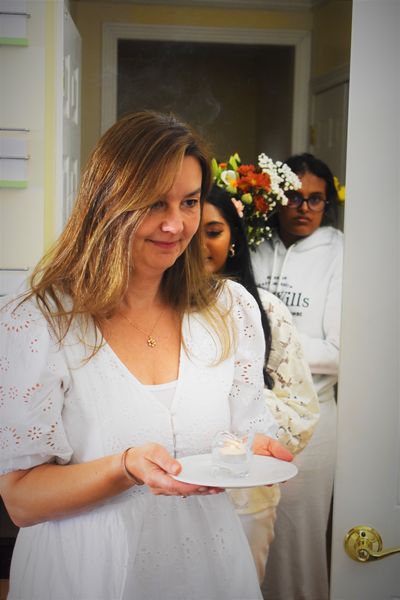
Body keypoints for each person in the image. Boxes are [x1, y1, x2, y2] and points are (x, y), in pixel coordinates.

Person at [0, 111, 290, 600]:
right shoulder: (41, 321)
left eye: (190, 202)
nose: (176, 225)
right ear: (107, 201)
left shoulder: (228, 310)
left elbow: (243, 429)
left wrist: (251, 448)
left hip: (208, 568)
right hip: (87, 575)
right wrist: (124, 467)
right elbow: (22, 501)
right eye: (155, 202)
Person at [202, 184, 319, 583]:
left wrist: (237, 408)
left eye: (213, 232)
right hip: (176, 492)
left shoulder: (264, 309)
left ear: (233, 237)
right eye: (191, 232)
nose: (200, 245)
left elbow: (302, 412)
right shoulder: (157, 309)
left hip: (247, 496)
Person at [251, 153, 343, 600]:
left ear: (328, 203)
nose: (303, 207)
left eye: (315, 199)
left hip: (313, 420)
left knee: (300, 542)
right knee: (252, 538)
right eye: (293, 196)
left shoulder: (340, 253)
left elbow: (341, 354)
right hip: (250, 418)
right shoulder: (254, 244)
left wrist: (267, 338)